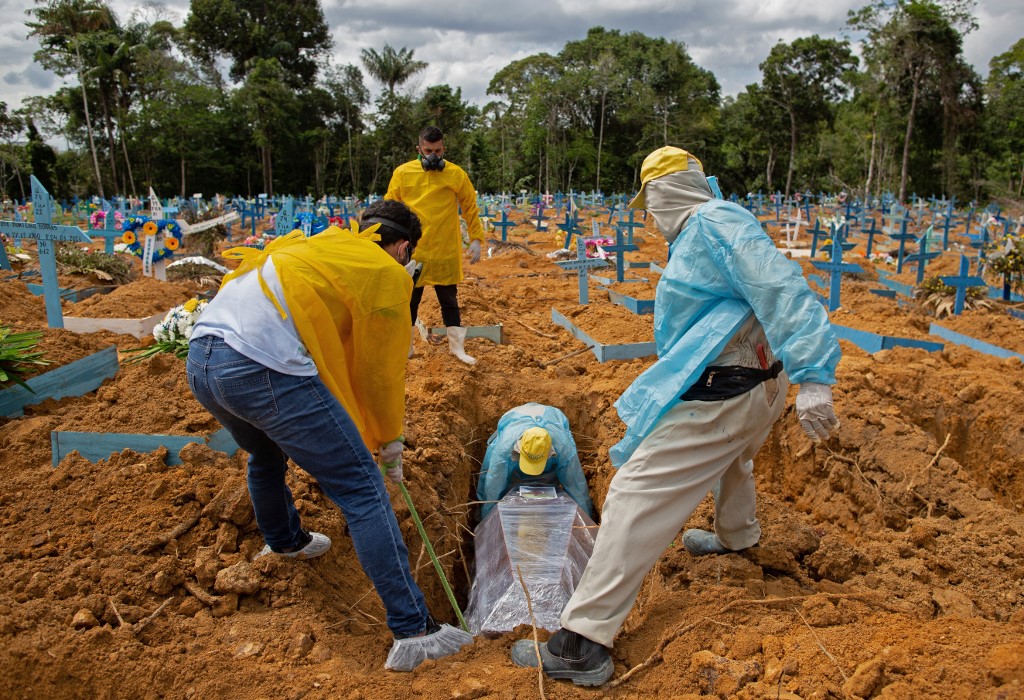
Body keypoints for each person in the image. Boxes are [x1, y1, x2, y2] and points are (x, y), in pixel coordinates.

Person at [511, 146, 841, 686]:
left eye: (650, 202)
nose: (649, 214)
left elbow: (780, 286)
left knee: (635, 494)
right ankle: (739, 536)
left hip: (729, 390)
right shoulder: (707, 224)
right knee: (736, 459)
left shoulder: (715, 222)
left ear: (666, 194)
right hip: (758, 381)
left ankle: (583, 641)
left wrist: (816, 375)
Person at [185, 199, 473, 672]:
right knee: (361, 488)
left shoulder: (328, 243)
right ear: (402, 246)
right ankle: (414, 630)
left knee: (264, 453)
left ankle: (286, 542)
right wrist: (388, 440)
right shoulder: (386, 272)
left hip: (203, 359)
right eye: (408, 254)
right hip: (261, 364)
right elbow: (379, 372)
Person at [385, 125, 485, 365]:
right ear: (418, 148)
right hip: (413, 250)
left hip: (445, 248)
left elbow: (470, 205)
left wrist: (476, 239)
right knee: (410, 301)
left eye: (438, 151)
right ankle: (406, 347)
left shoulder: (456, 174)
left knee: (449, 301)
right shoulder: (402, 173)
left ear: (444, 149)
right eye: (428, 150)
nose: (433, 156)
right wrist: (387, 244)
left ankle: (457, 348)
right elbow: (390, 207)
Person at [476, 403, 593, 519]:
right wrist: (486, 518)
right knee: (491, 475)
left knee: (557, 480)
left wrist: (586, 519)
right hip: (514, 419)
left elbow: (575, 484)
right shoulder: (504, 449)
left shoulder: (563, 447)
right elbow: (493, 484)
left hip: (552, 419)